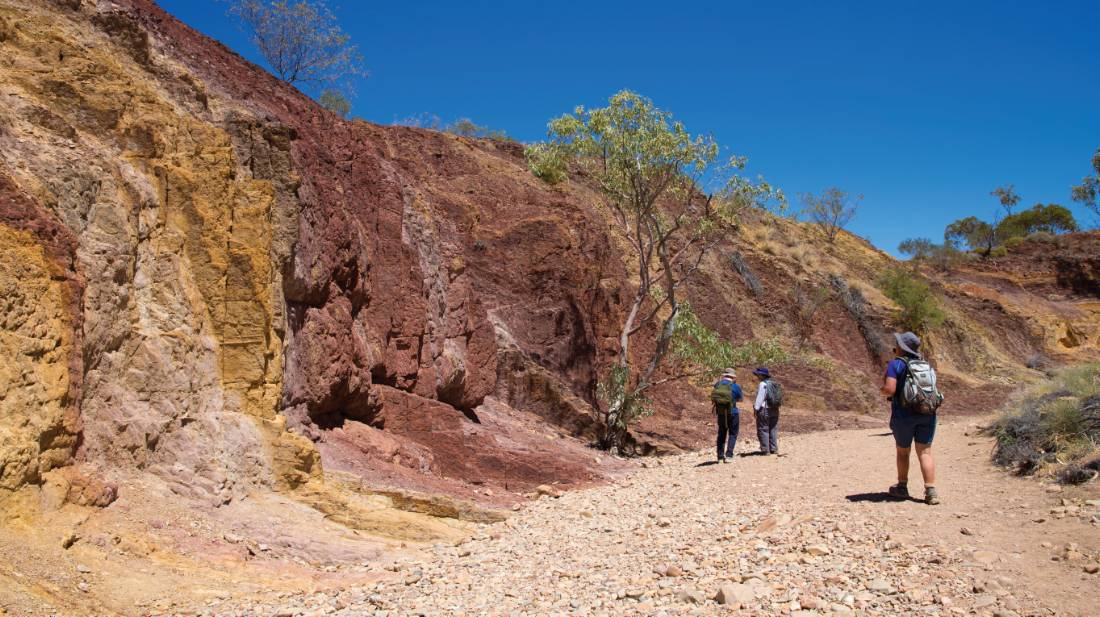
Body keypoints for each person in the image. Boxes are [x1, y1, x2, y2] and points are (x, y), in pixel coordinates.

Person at [881, 332, 940, 505]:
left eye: (897, 344)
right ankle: (931, 491)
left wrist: (882, 390)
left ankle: (902, 487)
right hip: (927, 413)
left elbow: (890, 389)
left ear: (901, 347)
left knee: (903, 451)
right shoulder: (926, 365)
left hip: (904, 415)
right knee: (925, 452)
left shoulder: (896, 364)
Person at [712, 368, 743, 462]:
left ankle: (720, 457)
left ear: (724, 375)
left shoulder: (717, 384)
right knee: (733, 433)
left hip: (721, 413)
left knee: (721, 433)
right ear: (733, 377)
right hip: (733, 412)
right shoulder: (736, 386)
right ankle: (729, 455)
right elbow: (740, 399)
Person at [752, 367, 779, 455]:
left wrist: (756, 409)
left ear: (761, 375)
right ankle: (773, 448)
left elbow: (760, 398)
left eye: (758, 374)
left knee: (763, 429)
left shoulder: (763, 384)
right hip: (775, 409)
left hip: (764, 409)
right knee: (773, 429)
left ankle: (765, 450)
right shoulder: (773, 383)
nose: (757, 376)